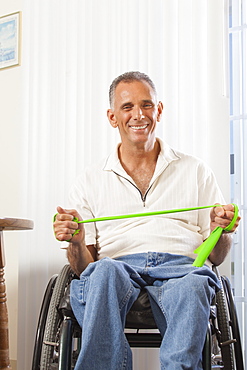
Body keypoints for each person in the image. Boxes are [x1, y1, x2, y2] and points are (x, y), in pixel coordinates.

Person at [54, 71, 240, 370]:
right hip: (117, 268)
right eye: (127, 107)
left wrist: (222, 231)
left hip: (182, 268)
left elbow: (216, 256)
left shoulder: (195, 169)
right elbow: (83, 268)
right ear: (113, 117)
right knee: (101, 274)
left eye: (146, 105)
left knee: (196, 283)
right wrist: (76, 242)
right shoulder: (90, 179)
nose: (138, 115)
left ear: (159, 110)